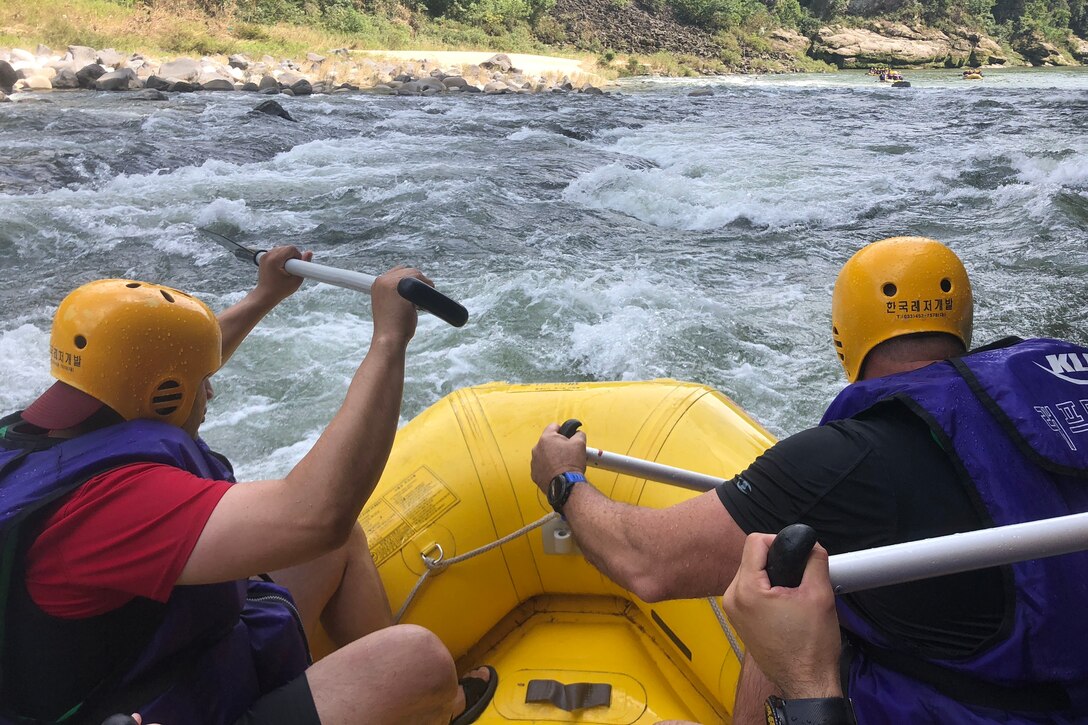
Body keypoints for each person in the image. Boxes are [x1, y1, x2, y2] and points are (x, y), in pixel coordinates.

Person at [530, 236, 1088, 723]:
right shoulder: (1062, 382)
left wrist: (564, 480)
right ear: (962, 323)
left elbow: (645, 561)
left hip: (977, 708)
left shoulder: (840, 461)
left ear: (844, 335)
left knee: (779, 587)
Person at [0, 247, 497, 725]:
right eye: (202, 381)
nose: (211, 389)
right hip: (140, 709)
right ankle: (424, 702)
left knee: (334, 549)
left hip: (151, 668)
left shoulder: (38, 435)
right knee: (416, 661)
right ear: (162, 393)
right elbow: (316, 517)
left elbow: (160, 371)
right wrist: (389, 341)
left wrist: (265, 296)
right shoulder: (113, 504)